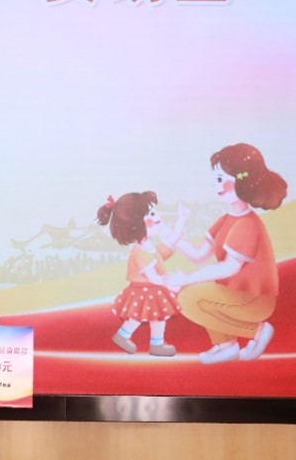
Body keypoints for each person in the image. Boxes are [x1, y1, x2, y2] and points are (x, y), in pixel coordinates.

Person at [168, 143, 287, 364]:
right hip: (232, 293)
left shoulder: (247, 224)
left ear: (242, 182)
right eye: (216, 178)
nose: (216, 185)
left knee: (187, 298)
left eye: (221, 178)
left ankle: (256, 331)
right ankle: (226, 346)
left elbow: (230, 267)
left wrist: (186, 279)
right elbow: (199, 255)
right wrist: (173, 236)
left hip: (253, 299)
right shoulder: (225, 220)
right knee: (190, 293)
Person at [96, 192, 187, 357]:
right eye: (151, 214)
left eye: (154, 211)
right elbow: (153, 278)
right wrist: (171, 283)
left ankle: (152, 343)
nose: (157, 216)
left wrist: (181, 219)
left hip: (152, 290)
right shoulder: (140, 252)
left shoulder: (149, 247)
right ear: (136, 225)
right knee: (141, 316)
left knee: (155, 317)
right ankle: (128, 337)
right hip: (143, 291)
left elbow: (172, 240)